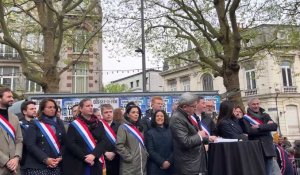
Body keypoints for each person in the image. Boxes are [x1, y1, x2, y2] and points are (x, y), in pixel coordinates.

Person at [170, 92, 216, 175]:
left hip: (194, 163)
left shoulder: (185, 116)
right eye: (193, 106)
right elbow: (185, 141)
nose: (195, 108)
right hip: (188, 166)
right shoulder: (177, 119)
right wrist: (200, 136)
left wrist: (207, 139)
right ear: (185, 107)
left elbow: (191, 136)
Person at [63, 99, 106, 175]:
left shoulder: (99, 124)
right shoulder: (74, 125)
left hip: (95, 160)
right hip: (80, 162)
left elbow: (103, 141)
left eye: (91, 105)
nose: (90, 107)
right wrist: (85, 157)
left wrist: (93, 155)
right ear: (81, 109)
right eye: (87, 106)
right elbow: (71, 144)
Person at [23, 98, 66, 175]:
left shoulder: (59, 122)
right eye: (49, 107)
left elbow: (64, 142)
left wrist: (61, 156)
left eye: (54, 107)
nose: (52, 109)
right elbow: (30, 145)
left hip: (56, 164)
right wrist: (45, 159)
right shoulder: (35, 123)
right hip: (37, 165)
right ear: (42, 109)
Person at [241, 97, 278, 175]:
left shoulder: (266, 115)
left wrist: (259, 127)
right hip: (255, 147)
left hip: (268, 147)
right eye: (253, 104)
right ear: (249, 105)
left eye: (257, 104)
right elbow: (250, 131)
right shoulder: (245, 118)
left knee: (269, 172)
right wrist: (267, 127)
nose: (256, 106)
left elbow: (274, 127)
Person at [116, 104, 148, 175]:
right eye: (133, 112)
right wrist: (130, 158)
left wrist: (145, 154)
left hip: (141, 165)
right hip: (129, 166)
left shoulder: (140, 128)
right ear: (127, 114)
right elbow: (119, 146)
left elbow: (142, 145)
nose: (136, 114)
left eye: (137, 113)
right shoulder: (123, 127)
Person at [0, 87, 23, 174]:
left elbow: (19, 140)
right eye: (8, 97)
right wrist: (6, 161)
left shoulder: (14, 117)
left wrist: (16, 158)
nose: (12, 99)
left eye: (12, 97)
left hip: (15, 168)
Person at [146, 110, 174, 175]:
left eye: (161, 116)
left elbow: (175, 148)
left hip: (170, 166)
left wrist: (169, 161)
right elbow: (150, 150)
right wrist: (162, 162)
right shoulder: (150, 133)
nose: (159, 118)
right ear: (154, 118)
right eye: (157, 116)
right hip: (156, 167)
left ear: (165, 118)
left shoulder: (171, 131)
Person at [100, 104, 120, 175]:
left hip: (116, 158)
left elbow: (121, 142)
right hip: (102, 157)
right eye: (106, 112)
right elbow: (95, 141)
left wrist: (114, 152)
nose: (108, 114)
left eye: (110, 112)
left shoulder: (119, 126)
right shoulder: (97, 125)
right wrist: (105, 152)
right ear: (102, 114)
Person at [19, 100, 37, 174]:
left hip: (37, 161)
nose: (35, 110)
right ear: (24, 112)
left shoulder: (40, 123)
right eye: (31, 109)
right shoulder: (18, 124)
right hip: (24, 162)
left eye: (35, 108)